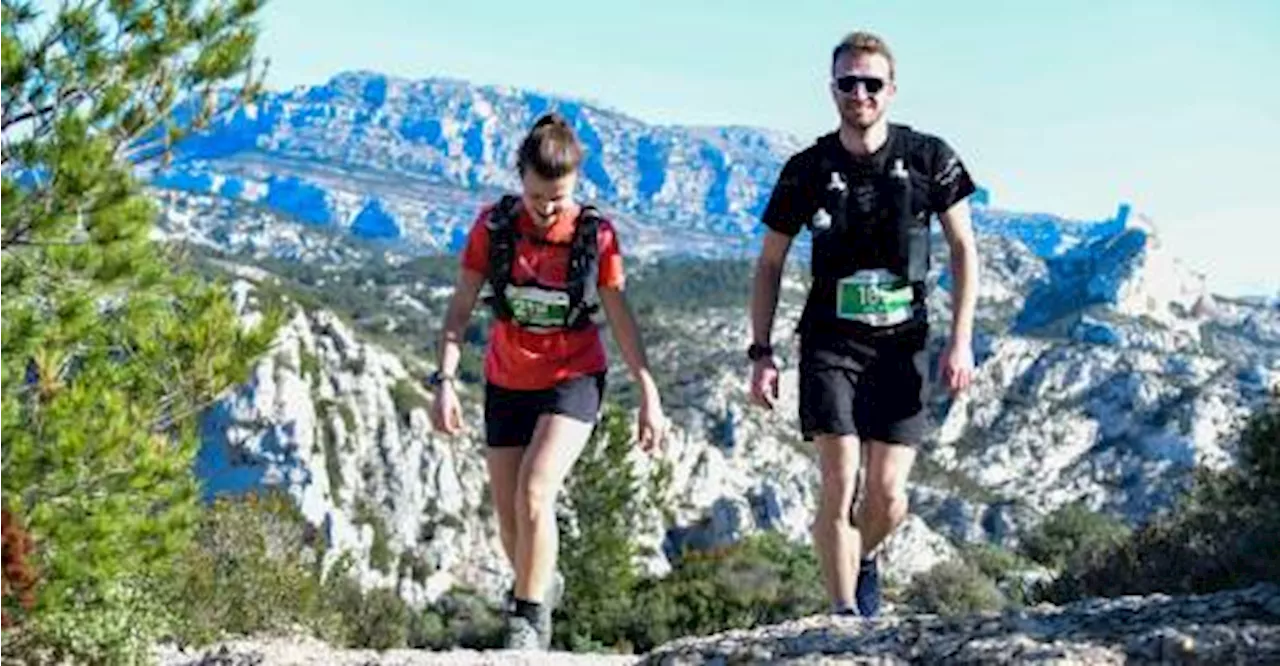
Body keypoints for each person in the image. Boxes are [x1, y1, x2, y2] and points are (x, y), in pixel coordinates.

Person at [746, 30, 980, 618]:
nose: (859, 94)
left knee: (888, 496)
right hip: (831, 341)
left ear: (891, 90)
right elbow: (770, 261)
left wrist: (961, 340)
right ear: (833, 89)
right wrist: (761, 351)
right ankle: (844, 613)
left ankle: (864, 554)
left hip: (904, 345)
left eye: (871, 83)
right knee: (840, 479)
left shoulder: (931, 158)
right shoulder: (806, 169)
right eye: (847, 83)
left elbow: (963, 249)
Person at [428, 113, 668, 649]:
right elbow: (459, 311)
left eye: (559, 198)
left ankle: (527, 621)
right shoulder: (492, 228)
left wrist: (648, 391)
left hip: (573, 376)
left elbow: (620, 315)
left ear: (575, 184)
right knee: (510, 516)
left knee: (536, 492)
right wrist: (444, 380)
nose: (548, 209)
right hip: (507, 378)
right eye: (538, 197)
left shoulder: (595, 235)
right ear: (520, 180)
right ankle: (540, 581)